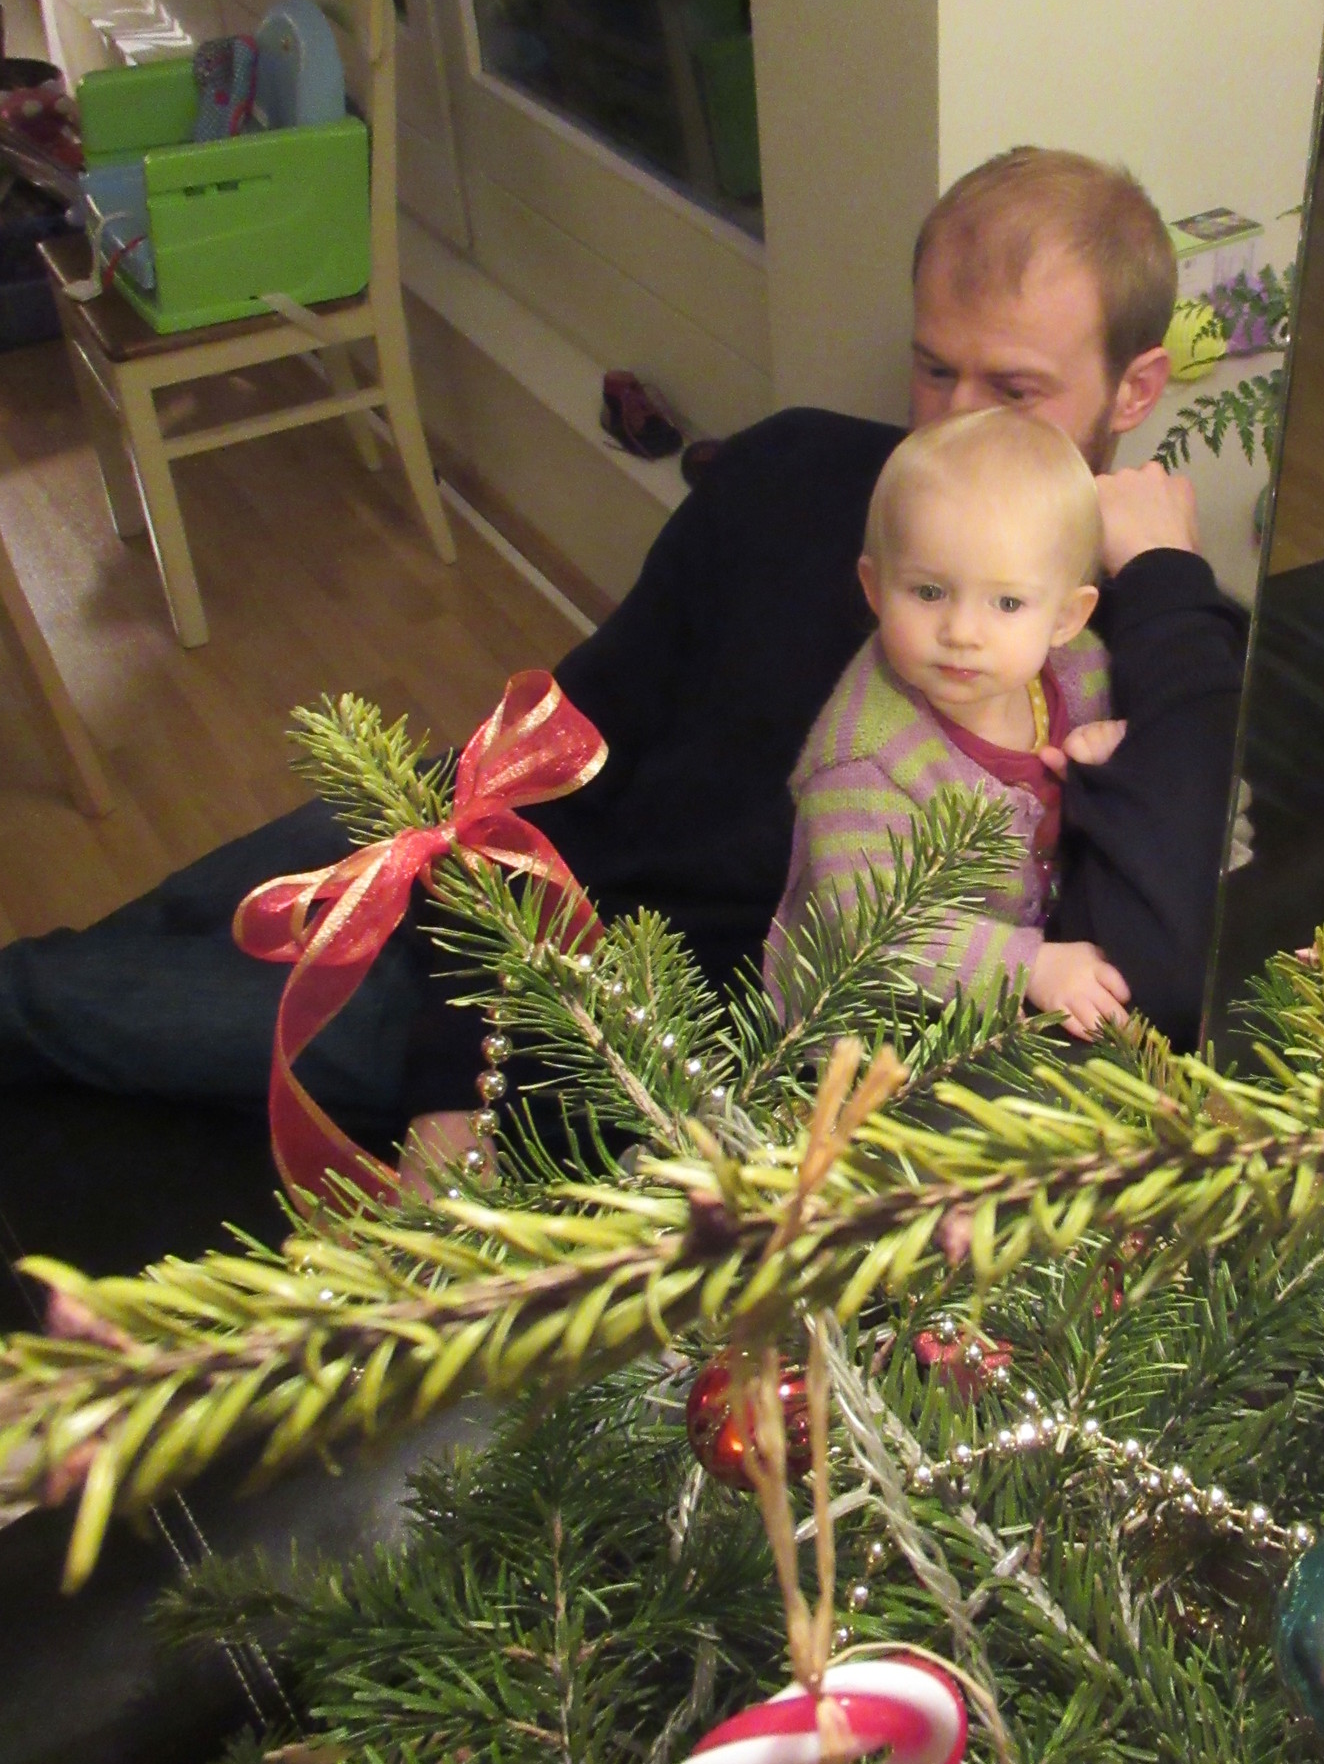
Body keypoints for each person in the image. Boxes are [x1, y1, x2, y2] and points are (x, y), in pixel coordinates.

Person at [0, 147, 1248, 1131]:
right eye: (934, 371)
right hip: (490, 850)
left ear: (1135, 390)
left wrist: (458, 1068)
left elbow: (1159, 965)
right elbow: (565, 732)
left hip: (609, 1010)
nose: (950, 423)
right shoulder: (791, 470)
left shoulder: (1141, 634)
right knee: (143, 927)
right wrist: (460, 944)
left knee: (41, 1008)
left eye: (1013, 390)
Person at [764, 409, 1133, 1037]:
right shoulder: (861, 764)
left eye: (1007, 602)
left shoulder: (1081, 669)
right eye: (929, 592)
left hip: (1027, 967)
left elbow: (1177, 753)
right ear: (875, 587)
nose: (961, 631)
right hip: (873, 1021)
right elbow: (872, 930)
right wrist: (1030, 966)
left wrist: (1122, 749)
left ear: (1066, 617)